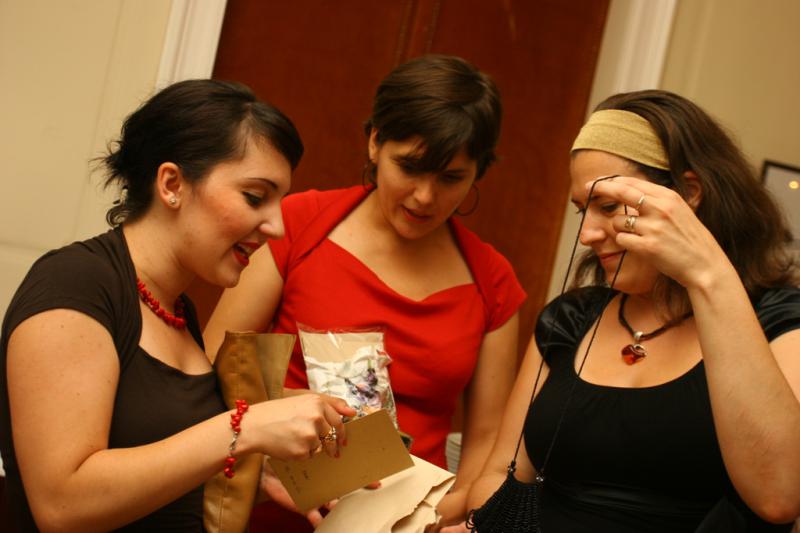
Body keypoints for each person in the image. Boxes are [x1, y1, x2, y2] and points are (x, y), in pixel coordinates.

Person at [0, 79, 355, 532]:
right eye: (255, 197)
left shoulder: (177, 310)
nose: (276, 227)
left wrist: (259, 473)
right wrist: (245, 428)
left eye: (278, 202)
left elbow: (158, 471)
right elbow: (62, 506)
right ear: (172, 184)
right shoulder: (76, 284)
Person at [443, 90, 800, 532]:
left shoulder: (778, 321)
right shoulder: (571, 319)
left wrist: (707, 275)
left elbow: (779, 497)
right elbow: (503, 472)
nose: (588, 233)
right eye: (583, 210)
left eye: (609, 207)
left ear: (689, 193)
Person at [204, 54, 526, 529]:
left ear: (479, 171)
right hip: (275, 503)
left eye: (450, 178)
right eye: (410, 167)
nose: (424, 196)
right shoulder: (296, 226)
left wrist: (443, 516)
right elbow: (213, 368)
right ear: (375, 141)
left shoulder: (493, 282)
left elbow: (487, 448)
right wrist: (287, 416)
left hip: (411, 521)